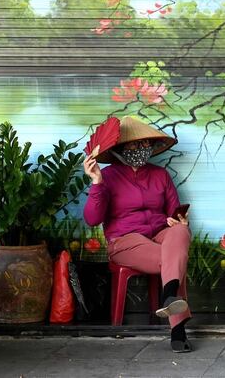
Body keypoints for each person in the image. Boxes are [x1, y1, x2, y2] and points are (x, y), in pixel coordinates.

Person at [82, 116, 193, 353]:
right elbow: (92, 218)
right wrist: (96, 182)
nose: (141, 149)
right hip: (125, 241)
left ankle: (169, 297)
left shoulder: (160, 175)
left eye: (145, 144)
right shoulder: (108, 177)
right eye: (134, 145)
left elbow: (173, 213)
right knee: (174, 260)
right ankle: (177, 328)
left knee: (180, 232)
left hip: (159, 234)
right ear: (121, 149)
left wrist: (178, 220)